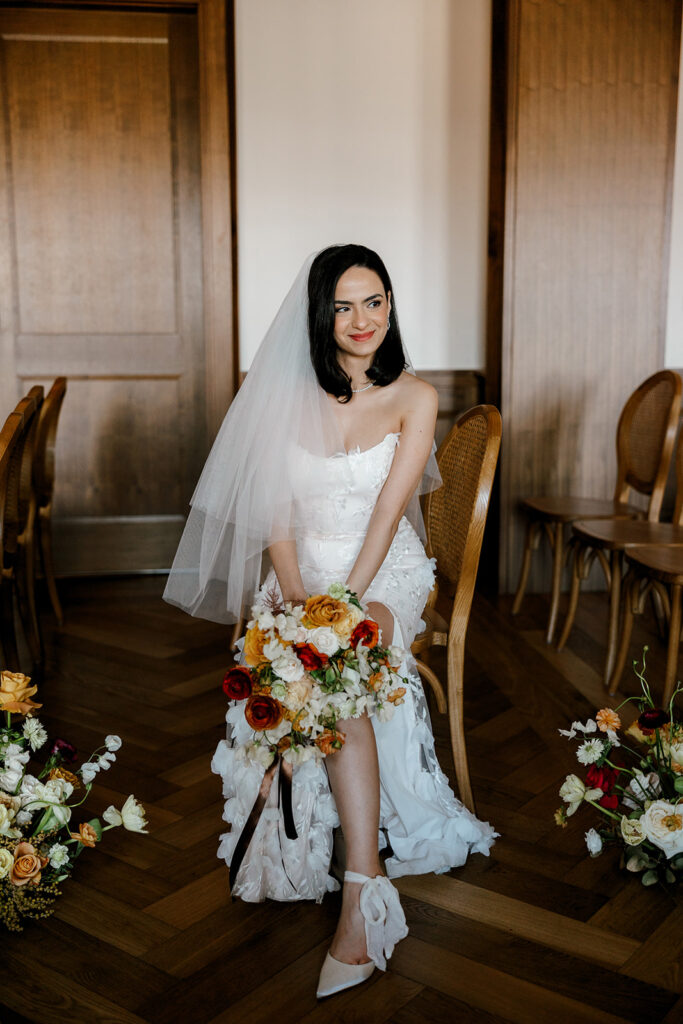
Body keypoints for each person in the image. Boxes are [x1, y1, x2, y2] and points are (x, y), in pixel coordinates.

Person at [163, 244, 497, 999]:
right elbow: (274, 515)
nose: (361, 320)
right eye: (343, 305)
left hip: (383, 571)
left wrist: (341, 605)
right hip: (299, 567)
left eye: (373, 301)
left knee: (348, 653)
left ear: (390, 305)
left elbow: (386, 512)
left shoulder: (413, 396)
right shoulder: (279, 393)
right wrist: (292, 598)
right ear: (320, 314)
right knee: (303, 648)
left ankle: (361, 890)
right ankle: (350, 873)